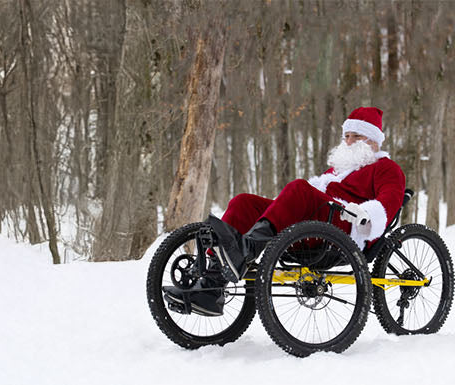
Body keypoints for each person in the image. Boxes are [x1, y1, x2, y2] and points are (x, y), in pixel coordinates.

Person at [164, 107, 406, 316]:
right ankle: (211, 285)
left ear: (374, 141)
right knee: (243, 202)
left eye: (357, 136)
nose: (349, 141)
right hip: (313, 225)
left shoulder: (386, 168)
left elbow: (387, 205)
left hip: (343, 230)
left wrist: (363, 215)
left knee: (299, 188)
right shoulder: (337, 171)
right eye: (347, 136)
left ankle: (248, 248)